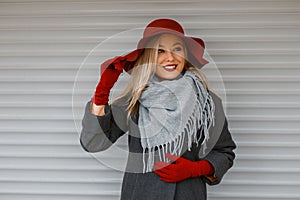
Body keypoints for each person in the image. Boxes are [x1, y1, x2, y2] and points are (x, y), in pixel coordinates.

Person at [80, 18, 236, 200]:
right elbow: (92, 143)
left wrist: (196, 169)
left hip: (187, 194)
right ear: (148, 58)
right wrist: (102, 93)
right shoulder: (133, 100)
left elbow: (225, 152)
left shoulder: (207, 101)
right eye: (160, 50)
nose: (170, 57)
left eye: (177, 49)